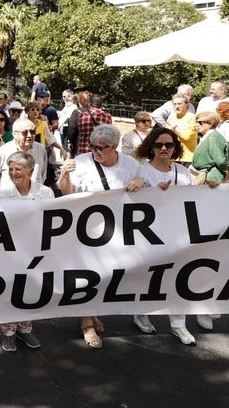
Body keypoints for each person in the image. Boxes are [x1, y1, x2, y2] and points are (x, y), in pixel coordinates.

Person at [58, 124, 144, 349]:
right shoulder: (83, 162)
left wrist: (140, 182)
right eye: (92, 146)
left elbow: (150, 186)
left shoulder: (130, 164)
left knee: (106, 274)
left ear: (115, 146)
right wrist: (65, 174)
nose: (95, 151)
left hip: (116, 231)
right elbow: (67, 193)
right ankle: (86, 322)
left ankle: (93, 312)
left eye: (100, 148)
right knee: (87, 273)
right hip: (86, 228)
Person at [131, 128, 198, 345]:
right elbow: (132, 197)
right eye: (159, 144)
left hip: (179, 233)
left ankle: (178, 323)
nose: (163, 149)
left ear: (175, 148)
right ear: (151, 146)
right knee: (149, 275)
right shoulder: (142, 170)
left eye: (168, 145)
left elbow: (195, 199)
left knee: (179, 277)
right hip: (150, 235)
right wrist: (148, 189)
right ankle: (141, 313)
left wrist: (212, 189)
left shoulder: (183, 172)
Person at [0, 152, 51, 351]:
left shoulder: (45, 192)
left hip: (36, 250)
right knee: (11, 290)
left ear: (30, 170)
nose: (13, 173)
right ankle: (8, 333)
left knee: (31, 290)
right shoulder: (3, 194)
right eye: (10, 169)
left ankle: (26, 329)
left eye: (18, 169)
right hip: (10, 252)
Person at [0, 119, 47, 195]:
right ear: (14, 134)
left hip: (34, 199)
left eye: (32, 132)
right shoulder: (3, 151)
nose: (29, 136)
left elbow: (43, 175)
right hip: (9, 200)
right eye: (25, 132)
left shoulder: (41, 149)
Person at [190, 111, 228, 184]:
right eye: (196, 122)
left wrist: (226, 172)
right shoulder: (208, 136)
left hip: (211, 178)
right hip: (203, 174)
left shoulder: (214, 137)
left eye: (200, 123)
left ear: (210, 124)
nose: (197, 125)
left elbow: (220, 161)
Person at [165, 93, 197, 165]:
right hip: (172, 156)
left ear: (187, 105)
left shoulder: (192, 118)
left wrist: (174, 127)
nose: (177, 106)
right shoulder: (171, 117)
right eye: (174, 104)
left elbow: (187, 137)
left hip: (186, 158)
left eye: (179, 104)